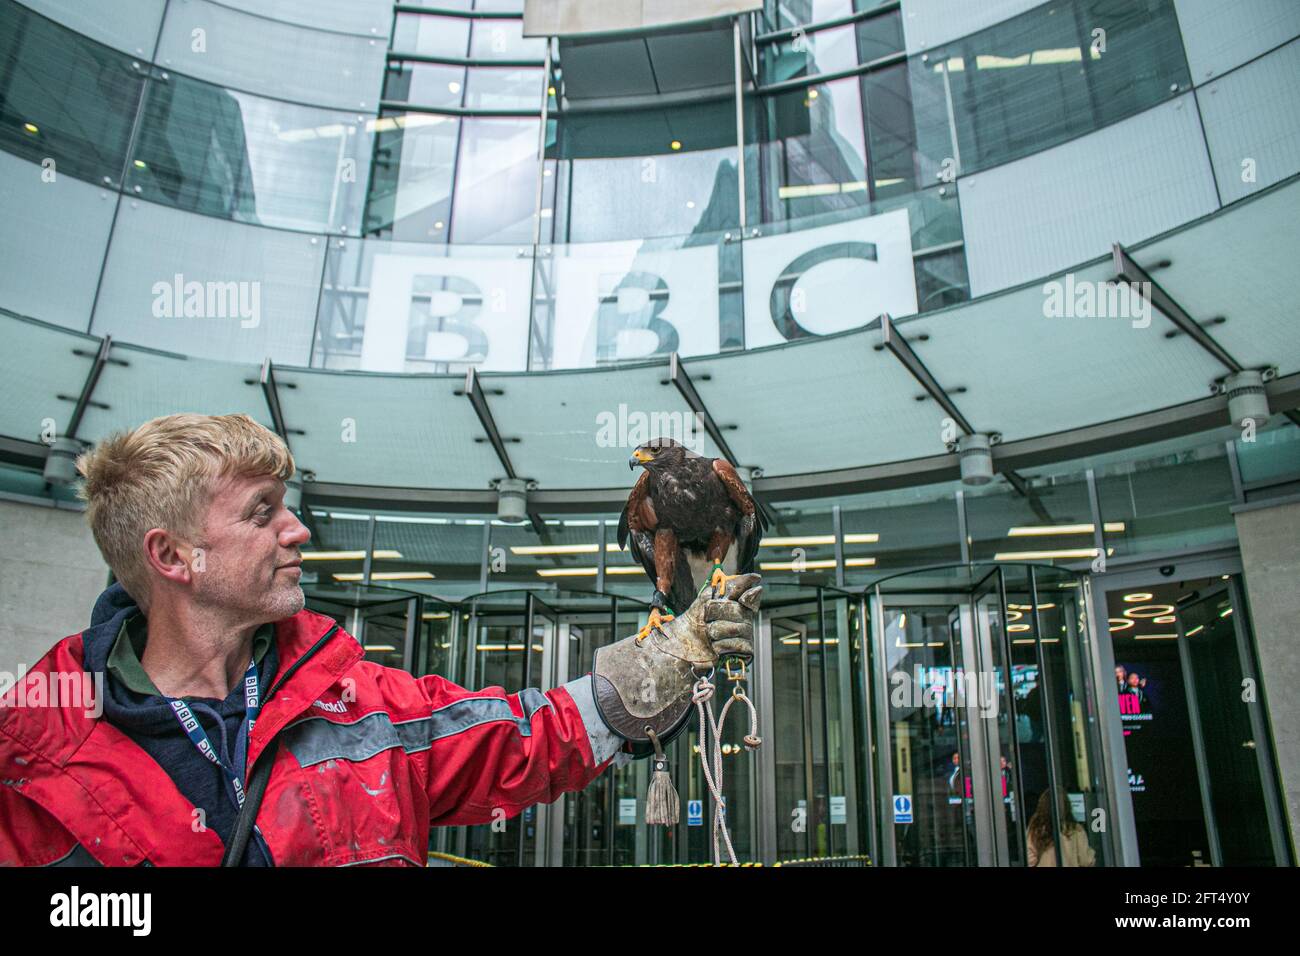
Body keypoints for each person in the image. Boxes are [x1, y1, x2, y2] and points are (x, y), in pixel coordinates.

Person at [0, 414, 760, 866]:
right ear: (172, 558)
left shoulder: (360, 703)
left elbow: (522, 737)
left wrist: (655, 669)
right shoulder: (30, 756)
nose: (297, 529)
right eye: (262, 513)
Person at [1026, 790, 1095, 867]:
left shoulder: (1036, 828)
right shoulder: (1075, 829)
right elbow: (1085, 860)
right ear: (1067, 806)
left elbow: (1030, 859)